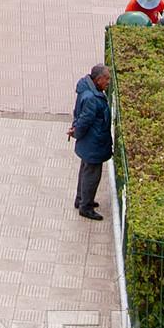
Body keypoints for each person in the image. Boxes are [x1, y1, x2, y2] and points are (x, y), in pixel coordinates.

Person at [68, 64, 112, 220]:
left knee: (86, 171)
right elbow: (85, 121)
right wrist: (77, 133)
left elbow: (78, 115)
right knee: (92, 175)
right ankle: (85, 207)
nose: (108, 82)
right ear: (98, 79)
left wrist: (76, 132)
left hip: (89, 141)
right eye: (107, 79)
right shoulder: (93, 98)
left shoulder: (86, 90)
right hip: (93, 142)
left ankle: (81, 199)